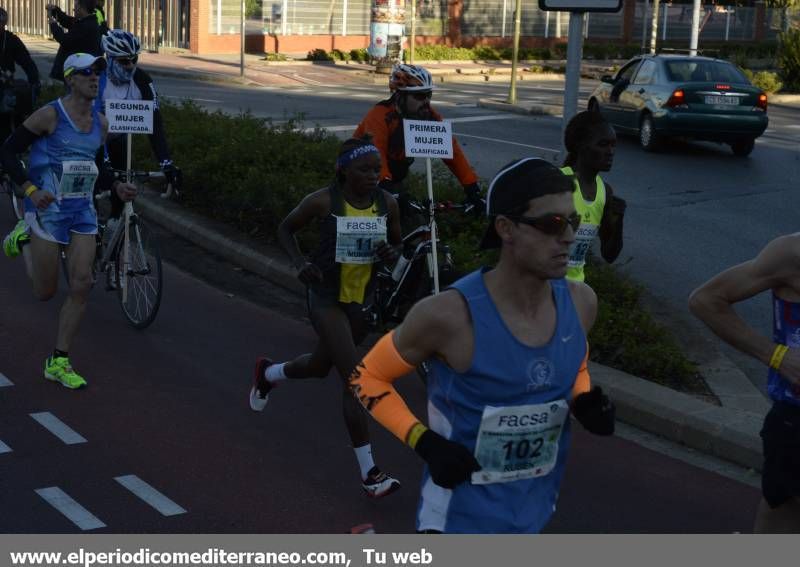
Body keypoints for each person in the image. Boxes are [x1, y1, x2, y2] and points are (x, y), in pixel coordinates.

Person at [347, 158, 616, 533]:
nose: (569, 236)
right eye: (552, 224)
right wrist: (423, 442)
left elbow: (576, 364)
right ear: (506, 228)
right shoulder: (449, 316)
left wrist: (583, 398)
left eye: (573, 221)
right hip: (456, 517)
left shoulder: (581, 303)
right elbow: (367, 377)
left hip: (533, 509)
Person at [249, 136, 404, 499]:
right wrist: (300, 263)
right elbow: (286, 229)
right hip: (325, 298)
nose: (372, 176)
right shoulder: (322, 201)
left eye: (376, 170)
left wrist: (389, 251)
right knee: (356, 379)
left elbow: (398, 245)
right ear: (344, 170)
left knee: (320, 366)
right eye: (363, 170)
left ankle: (269, 374)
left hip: (361, 301)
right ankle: (370, 474)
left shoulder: (388, 203)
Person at [1, 53, 137, 389]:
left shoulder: (101, 124)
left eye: (99, 72)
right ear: (71, 79)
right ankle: (25, 237)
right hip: (47, 210)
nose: (96, 78)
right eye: (89, 72)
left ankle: (58, 360)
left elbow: (97, 167)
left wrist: (116, 185)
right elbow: (6, 151)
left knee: (81, 284)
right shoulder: (49, 115)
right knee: (45, 292)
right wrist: (30, 189)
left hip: (82, 212)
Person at [689, 234, 800, 533]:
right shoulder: (792, 253)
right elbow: (706, 300)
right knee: (784, 512)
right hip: (796, 421)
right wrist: (778, 356)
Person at [353, 64, 482, 208]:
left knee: (414, 219)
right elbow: (377, 154)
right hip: (360, 179)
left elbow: (452, 151)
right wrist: (386, 185)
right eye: (420, 96)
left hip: (391, 179)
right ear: (401, 95)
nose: (426, 101)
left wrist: (472, 187)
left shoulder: (427, 114)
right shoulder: (380, 116)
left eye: (429, 95)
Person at [97, 30, 180, 218]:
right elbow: (89, 121)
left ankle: (116, 224)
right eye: (124, 61)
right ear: (109, 58)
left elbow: (155, 123)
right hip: (91, 141)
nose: (130, 66)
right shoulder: (97, 78)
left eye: (134, 59)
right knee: (92, 190)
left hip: (119, 140)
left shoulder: (142, 80)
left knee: (124, 193)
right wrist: (104, 162)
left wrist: (166, 163)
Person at [560, 110, 626, 282]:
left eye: (613, 145)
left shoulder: (605, 191)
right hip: (548, 287)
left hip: (576, 289)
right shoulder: (559, 182)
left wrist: (618, 221)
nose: (611, 151)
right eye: (603, 144)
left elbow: (609, 255)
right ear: (581, 145)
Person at [0, 7, 41, 137]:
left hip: (4, 88)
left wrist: (35, 82)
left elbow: (27, 62)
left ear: (4, 24)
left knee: (6, 126)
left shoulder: (11, 40)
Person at [47, 0, 103, 83]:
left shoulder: (86, 26)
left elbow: (64, 40)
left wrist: (53, 24)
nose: (74, 9)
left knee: (74, 94)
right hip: (78, 72)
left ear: (80, 7)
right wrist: (56, 10)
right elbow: (68, 21)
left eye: (75, 6)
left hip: (78, 74)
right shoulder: (87, 21)